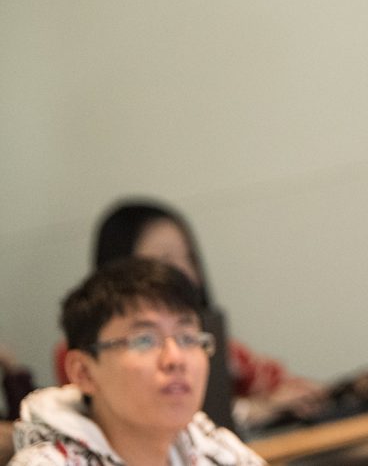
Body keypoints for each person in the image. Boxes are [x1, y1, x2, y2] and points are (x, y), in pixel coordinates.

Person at [54, 200, 326, 431]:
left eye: (190, 258)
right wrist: (249, 410)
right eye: (145, 340)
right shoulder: (82, 351)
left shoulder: (205, 342)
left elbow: (274, 380)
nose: (185, 273)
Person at [11, 258, 265, 466]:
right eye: (144, 340)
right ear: (84, 372)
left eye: (187, 338)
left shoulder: (215, 447)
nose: (175, 359)